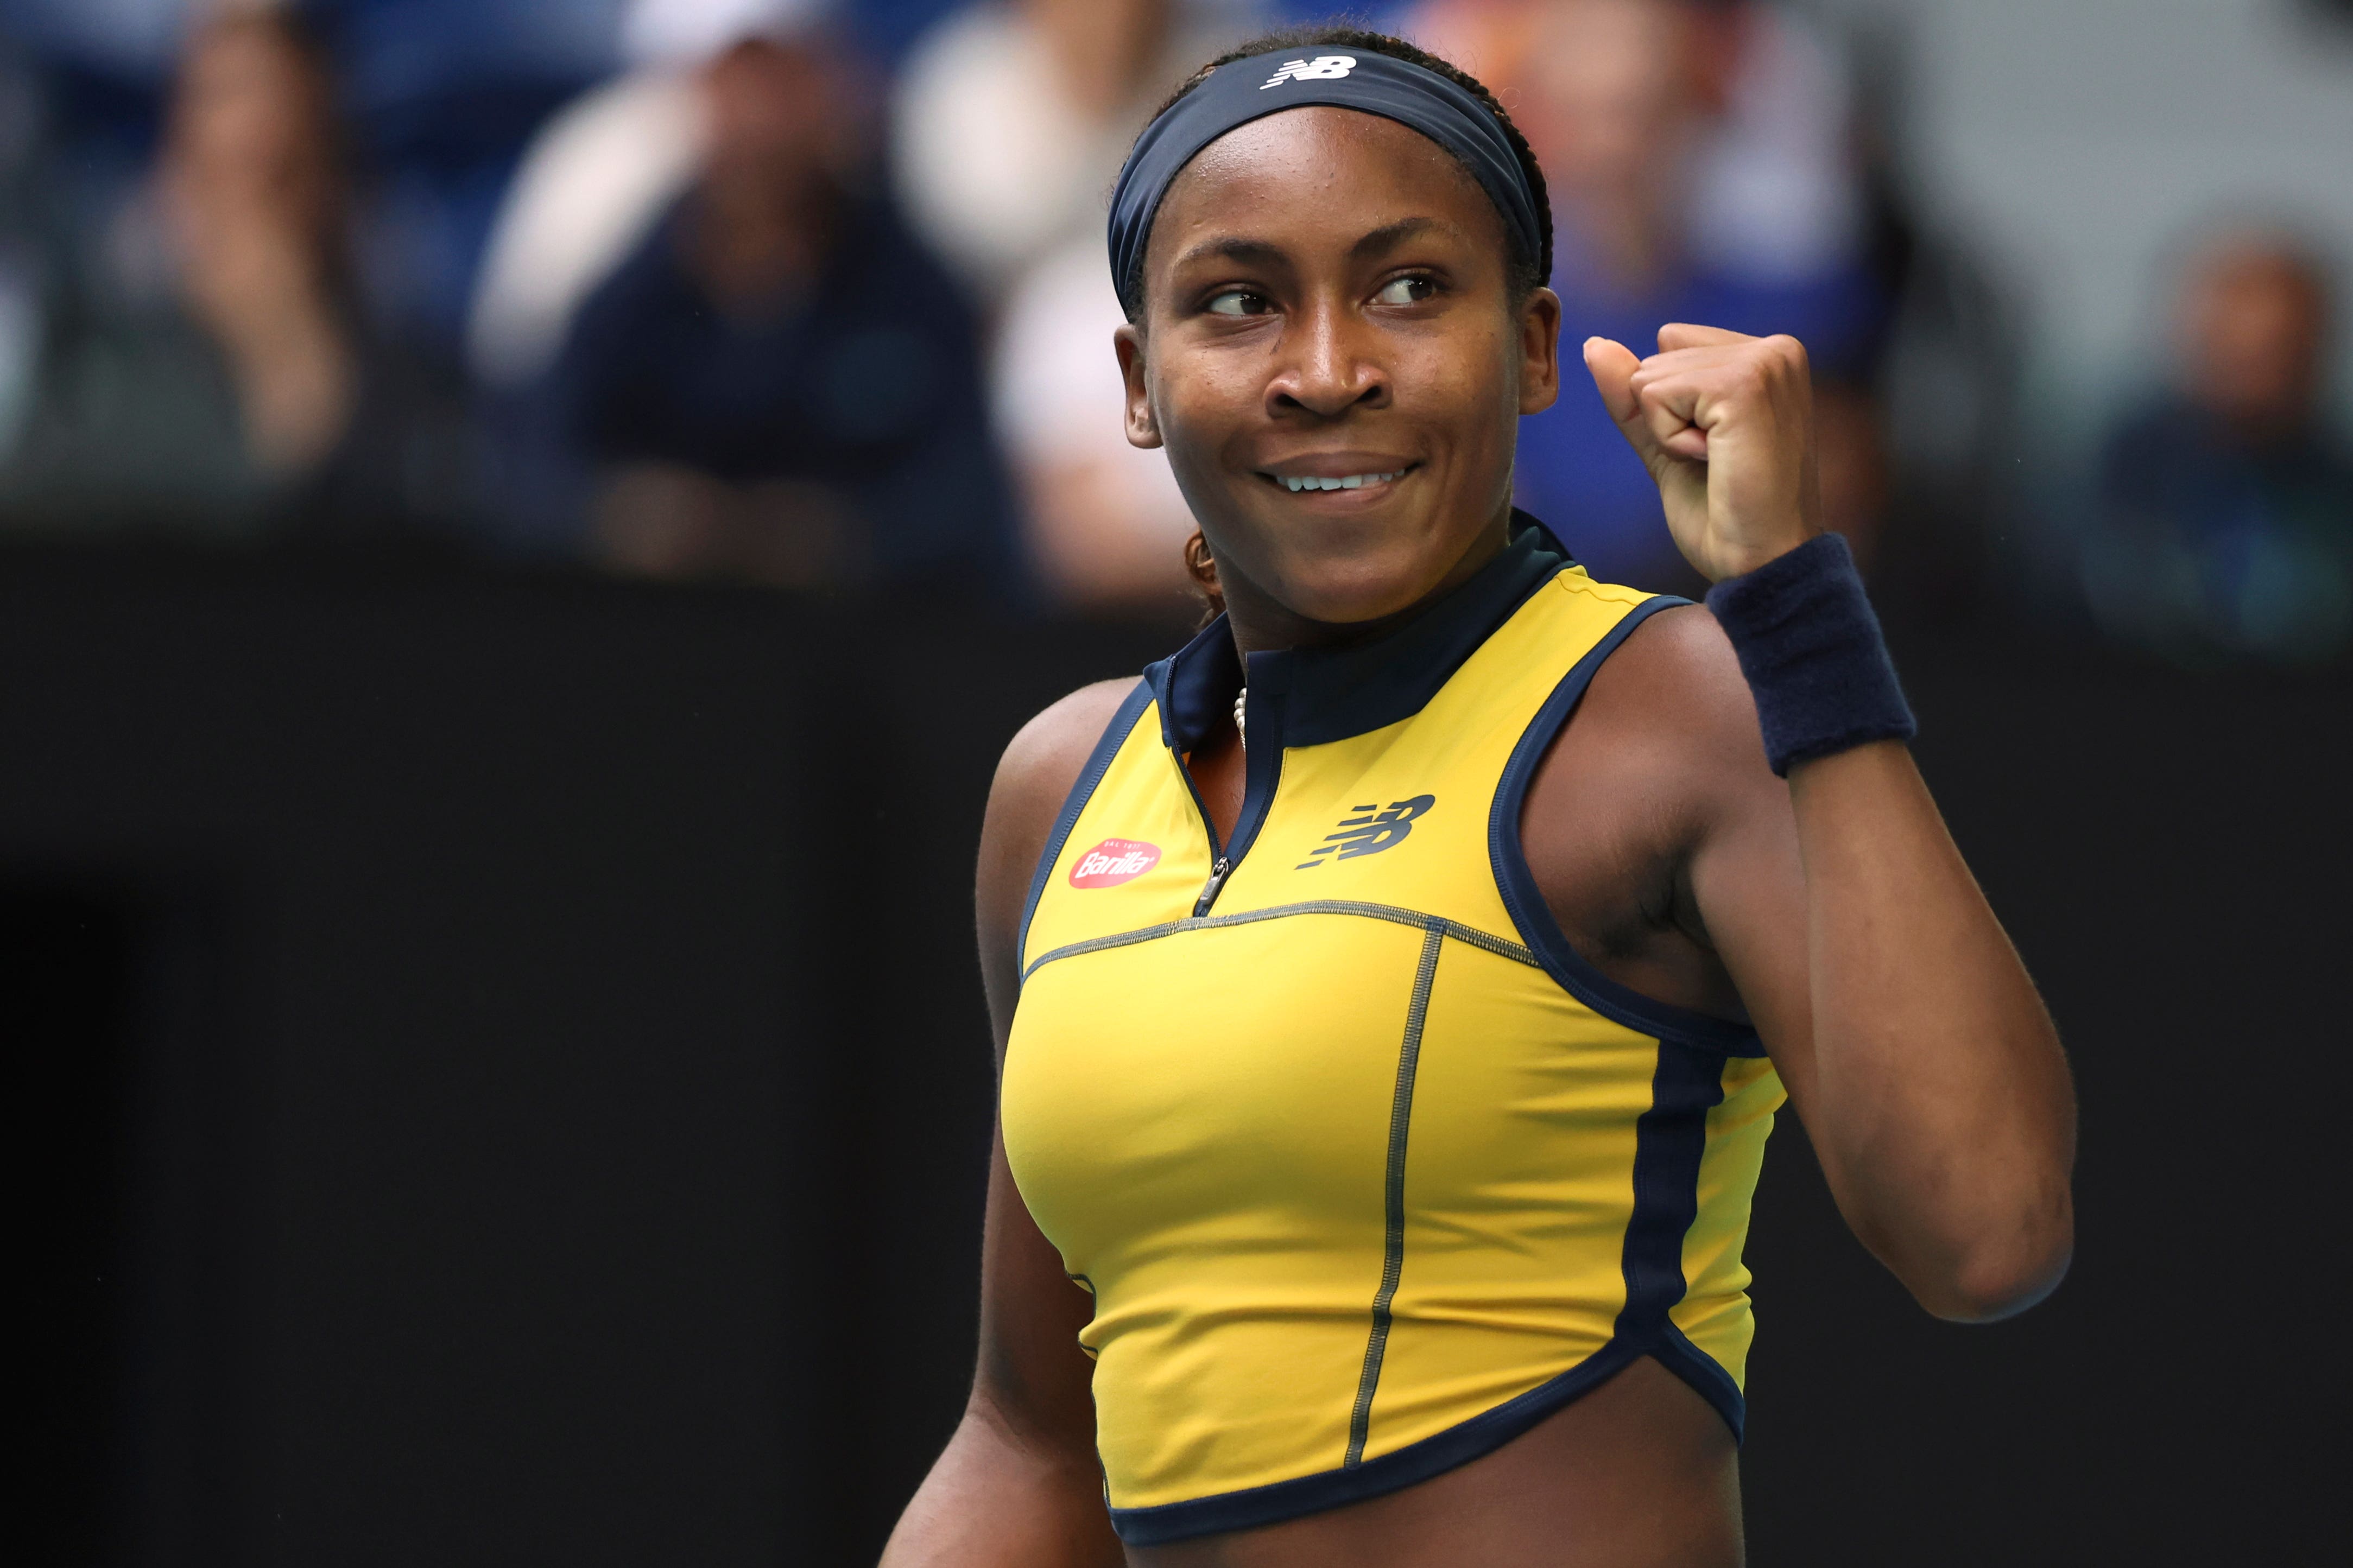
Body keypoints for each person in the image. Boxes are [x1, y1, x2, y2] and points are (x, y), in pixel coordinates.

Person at [882, 26, 2074, 1566]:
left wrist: (1790, 603)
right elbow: (1029, 1440)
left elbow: (1986, 1233)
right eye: (1239, 303)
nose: (1327, 370)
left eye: (1406, 289)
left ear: (1529, 349)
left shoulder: (1664, 706)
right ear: (1134, 381)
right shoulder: (1060, 789)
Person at [553, 27, 1019, 594]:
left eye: (781, 84)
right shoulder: (635, 278)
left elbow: (968, 492)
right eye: (736, 86)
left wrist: (846, 536)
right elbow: (532, 460)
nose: (759, 122)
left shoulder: (908, 284)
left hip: (859, 648)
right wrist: (623, 514)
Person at [0, 8, 470, 541]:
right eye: (231, 175)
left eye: (282, 178)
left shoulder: (413, 368)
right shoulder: (90, 359)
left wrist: (291, 358)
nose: (255, 229)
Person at [2083, 227, 2351, 665]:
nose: (2256, 382)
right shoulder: (2126, 471)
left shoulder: (2337, 480)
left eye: (2278, 353)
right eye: (2235, 354)